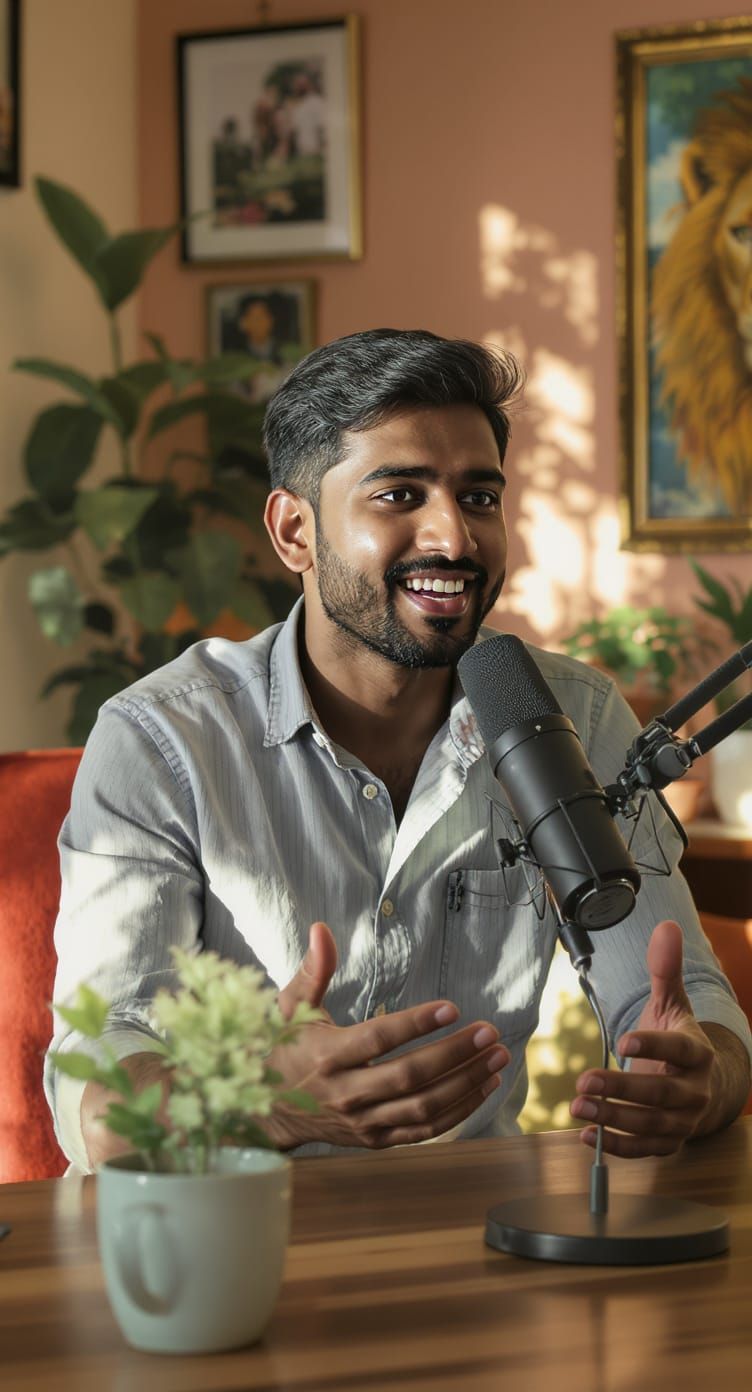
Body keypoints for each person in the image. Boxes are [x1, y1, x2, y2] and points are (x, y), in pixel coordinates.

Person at [45, 329, 752, 1171]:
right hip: (234, 1243)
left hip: (478, 1237)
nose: (453, 537)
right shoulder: (162, 741)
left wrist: (698, 1081)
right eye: (400, 494)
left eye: (479, 497)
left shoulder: (576, 715)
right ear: (294, 532)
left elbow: (688, 1011)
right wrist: (263, 1104)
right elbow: (94, 1099)